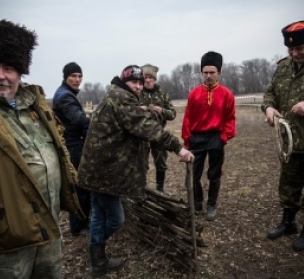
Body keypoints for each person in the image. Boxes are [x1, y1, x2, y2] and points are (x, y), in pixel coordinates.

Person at [0, 16, 84, 279]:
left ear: (20, 73)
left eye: (9, 68)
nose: (1, 76)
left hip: (48, 232)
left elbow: (57, 148)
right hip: (4, 246)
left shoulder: (35, 105)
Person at [77, 65, 194, 277]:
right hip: (105, 173)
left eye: (141, 83)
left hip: (96, 169)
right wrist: (178, 148)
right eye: (135, 82)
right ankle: (96, 251)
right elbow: (146, 127)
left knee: (98, 215)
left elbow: (135, 116)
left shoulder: (116, 95)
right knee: (116, 219)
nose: (139, 86)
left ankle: (98, 262)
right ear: (124, 82)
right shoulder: (122, 98)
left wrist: (148, 110)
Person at [263, 20, 304, 251]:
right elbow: (270, 91)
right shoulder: (283, 66)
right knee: (288, 184)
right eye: (290, 49)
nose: (294, 53)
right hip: (290, 143)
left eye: (299, 49)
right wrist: (269, 108)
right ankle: (288, 222)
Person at [181, 51, 236, 221]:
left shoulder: (227, 94)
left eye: (212, 72)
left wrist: (224, 137)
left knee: (214, 173)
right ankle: (197, 202)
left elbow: (230, 118)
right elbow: (187, 118)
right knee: (194, 174)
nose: (208, 75)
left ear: (219, 72)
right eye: (205, 72)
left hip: (216, 138)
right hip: (197, 138)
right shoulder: (194, 94)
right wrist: (187, 140)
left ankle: (211, 204)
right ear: (201, 73)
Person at [53, 62, 91, 237]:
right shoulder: (65, 97)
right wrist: (98, 123)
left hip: (74, 141)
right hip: (72, 144)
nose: (77, 80)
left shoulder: (66, 93)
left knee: (80, 184)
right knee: (78, 185)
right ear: (65, 77)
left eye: (79, 76)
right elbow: (78, 120)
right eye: (73, 76)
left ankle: (82, 222)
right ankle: (78, 226)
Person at [139, 64, 176, 194]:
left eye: (150, 77)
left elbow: (172, 114)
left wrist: (162, 110)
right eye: (145, 77)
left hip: (158, 133)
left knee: (161, 162)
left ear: (154, 79)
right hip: (141, 136)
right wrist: (142, 109)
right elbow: (129, 111)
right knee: (141, 164)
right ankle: (141, 190)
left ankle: (160, 188)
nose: (147, 80)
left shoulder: (162, 95)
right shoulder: (137, 93)